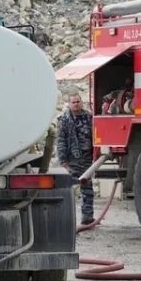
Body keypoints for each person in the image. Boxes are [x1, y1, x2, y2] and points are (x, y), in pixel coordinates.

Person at [56, 93, 95, 225]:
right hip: (72, 159)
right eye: (74, 102)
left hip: (87, 158)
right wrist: (63, 161)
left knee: (87, 188)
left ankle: (87, 217)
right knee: (68, 189)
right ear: (69, 104)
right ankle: (66, 218)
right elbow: (61, 141)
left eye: (78, 101)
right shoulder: (64, 120)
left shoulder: (89, 117)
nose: (76, 104)